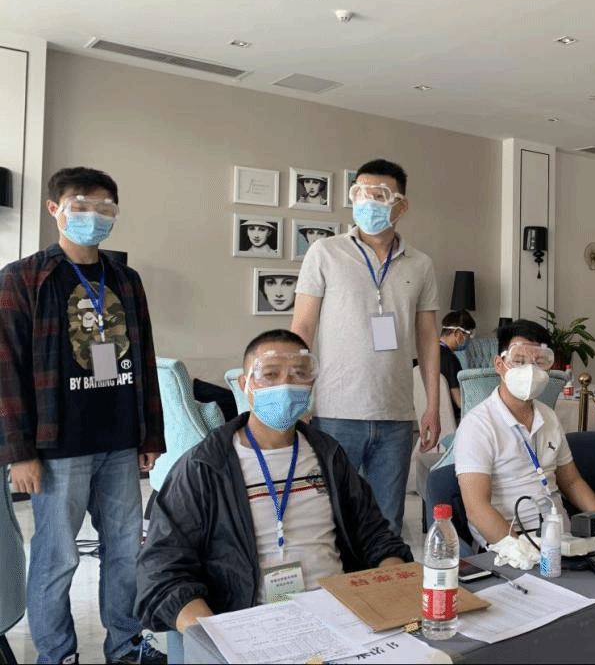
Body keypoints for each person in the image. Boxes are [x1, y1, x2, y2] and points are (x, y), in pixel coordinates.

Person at [136, 329, 413, 635]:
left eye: (299, 374)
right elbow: (163, 571)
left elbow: (375, 537)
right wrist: (214, 638)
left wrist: (396, 592)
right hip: (251, 624)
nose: (285, 385)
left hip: (340, 616)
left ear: (312, 382)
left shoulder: (328, 456)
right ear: (245, 384)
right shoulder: (204, 467)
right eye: (270, 374)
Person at [0, 167, 166, 665]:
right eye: (81, 205)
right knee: (57, 557)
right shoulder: (22, 278)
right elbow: (6, 369)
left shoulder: (125, 279)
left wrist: (150, 436)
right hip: (57, 447)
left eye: (104, 208)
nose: (94, 216)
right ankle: (57, 655)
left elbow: (145, 360)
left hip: (119, 440)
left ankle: (127, 646)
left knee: (126, 552)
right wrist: (19, 453)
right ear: (55, 208)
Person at [291, 159, 441, 537]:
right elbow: (302, 329)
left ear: (401, 205)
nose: (367, 201)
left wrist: (432, 406)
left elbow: (428, 339)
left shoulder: (421, 264)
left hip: (396, 414)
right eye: (359, 192)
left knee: (386, 524)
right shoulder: (324, 252)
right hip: (335, 410)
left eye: (379, 194)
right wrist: (298, 396)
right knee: (332, 522)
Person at [454, 319, 595, 548]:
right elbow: (477, 509)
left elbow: (572, 482)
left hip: (561, 536)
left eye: (539, 362)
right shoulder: (477, 425)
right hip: (510, 542)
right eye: (518, 361)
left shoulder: (548, 416)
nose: (530, 370)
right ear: (499, 365)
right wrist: (524, 552)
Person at [439, 309, 475, 420]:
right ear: (456, 333)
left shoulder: (429, 354)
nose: (467, 340)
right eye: (467, 336)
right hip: (452, 420)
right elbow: (460, 402)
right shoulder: (450, 359)